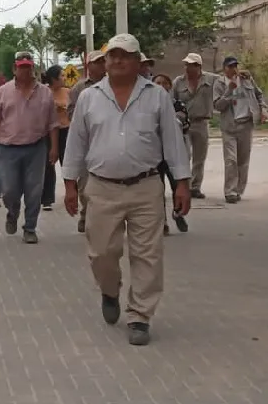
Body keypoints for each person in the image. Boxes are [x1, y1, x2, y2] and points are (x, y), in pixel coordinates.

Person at [62, 33, 191, 346]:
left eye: (125, 55)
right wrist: (69, 186)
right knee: (101, 253)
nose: (118, 60)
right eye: (113, 55)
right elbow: (76, 143)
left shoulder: (156, 96)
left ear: (137, 61)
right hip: (102, 188)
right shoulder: (90, 98)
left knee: (148, 254)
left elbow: (173, 143)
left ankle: (140, 316)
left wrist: (182, 184)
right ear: (105, 62)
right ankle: (110, 290)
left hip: (146, 187)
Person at [0, 51, 58, 244]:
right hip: (7, 148)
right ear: (14, 69)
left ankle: (30, 227)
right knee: (8, 189)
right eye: (21, 67)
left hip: (36, 148)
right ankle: (12, 212)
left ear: (33, 67)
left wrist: (54, 148)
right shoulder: (2, 92)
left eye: (28, 67)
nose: (25, 71)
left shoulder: (45, 92)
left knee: (35, 190)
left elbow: (53, 123)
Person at [212, 55, 268, 204]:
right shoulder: (219, 83)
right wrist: (229, 91)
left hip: (246, 124)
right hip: (229, 126)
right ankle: (230, 192)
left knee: (243, 160)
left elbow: (258, 94)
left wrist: (263, 109)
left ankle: (238, 190)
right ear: (224, 68)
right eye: (230, 66)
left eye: (235, 66)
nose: (233, 69)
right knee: (231, 160)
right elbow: (217, 106)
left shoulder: (246, 79)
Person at [67, 50, 106, 232]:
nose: (101, 66)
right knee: (84, 184)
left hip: (106, 142)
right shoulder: (79, 88)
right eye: (97, 62)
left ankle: (97, 217)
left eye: (102, 62)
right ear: (89, 66)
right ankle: (86, 213)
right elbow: (70, 113)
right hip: (86, 142)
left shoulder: (112, 86)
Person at [171, 53, 218, 199]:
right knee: (184, 156)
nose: (187, 67)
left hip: (201, 122)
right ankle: (184, 186)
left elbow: (227, 81)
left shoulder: (211, 79)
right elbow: (171, 101)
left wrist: (240, 75)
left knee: (200, 157)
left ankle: (196, 187)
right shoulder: (178, 82)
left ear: (198, 67)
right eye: (186, 64)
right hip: (183, 124)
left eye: (190, 65)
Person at [153, 74, 191, 234]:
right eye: (157, 83)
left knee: (177, 186)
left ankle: (178, 212)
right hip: (154, 156)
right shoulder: (148, 106)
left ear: (169, 86)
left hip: (172, 153)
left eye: (164, 83)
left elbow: (184, 124)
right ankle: (162, 223)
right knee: (157, 190)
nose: (161, 85)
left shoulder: (177, 105)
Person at [39, 65, 70, 212]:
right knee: (48, 164)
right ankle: (47, 199)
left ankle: (71, 194)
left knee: (68, 164)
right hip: (49, 132)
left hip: (66, 131)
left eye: (64, 75)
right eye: (62, 76)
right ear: (53, 79)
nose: (64, 78)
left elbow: (73, 109)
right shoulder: (44, 92)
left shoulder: (68, 92)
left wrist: (64, 107)